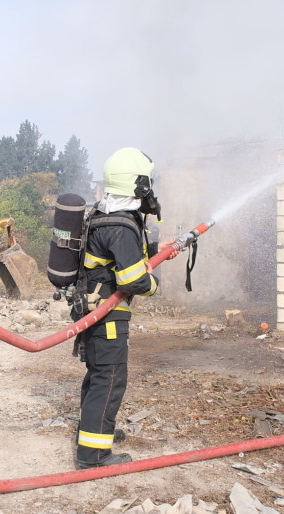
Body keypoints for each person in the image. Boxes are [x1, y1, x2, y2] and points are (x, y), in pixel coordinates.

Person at [71, 147, 170, 470]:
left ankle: (94, 432)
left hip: (93, 307)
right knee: (109, 378)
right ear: (139, 184)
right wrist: (153, 283)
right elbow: (133, 280)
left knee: (98, 374)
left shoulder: (105, 214)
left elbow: (117, 256)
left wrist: (156, 249)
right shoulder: (122, 225)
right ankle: (94, 455)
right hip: (108, 314)